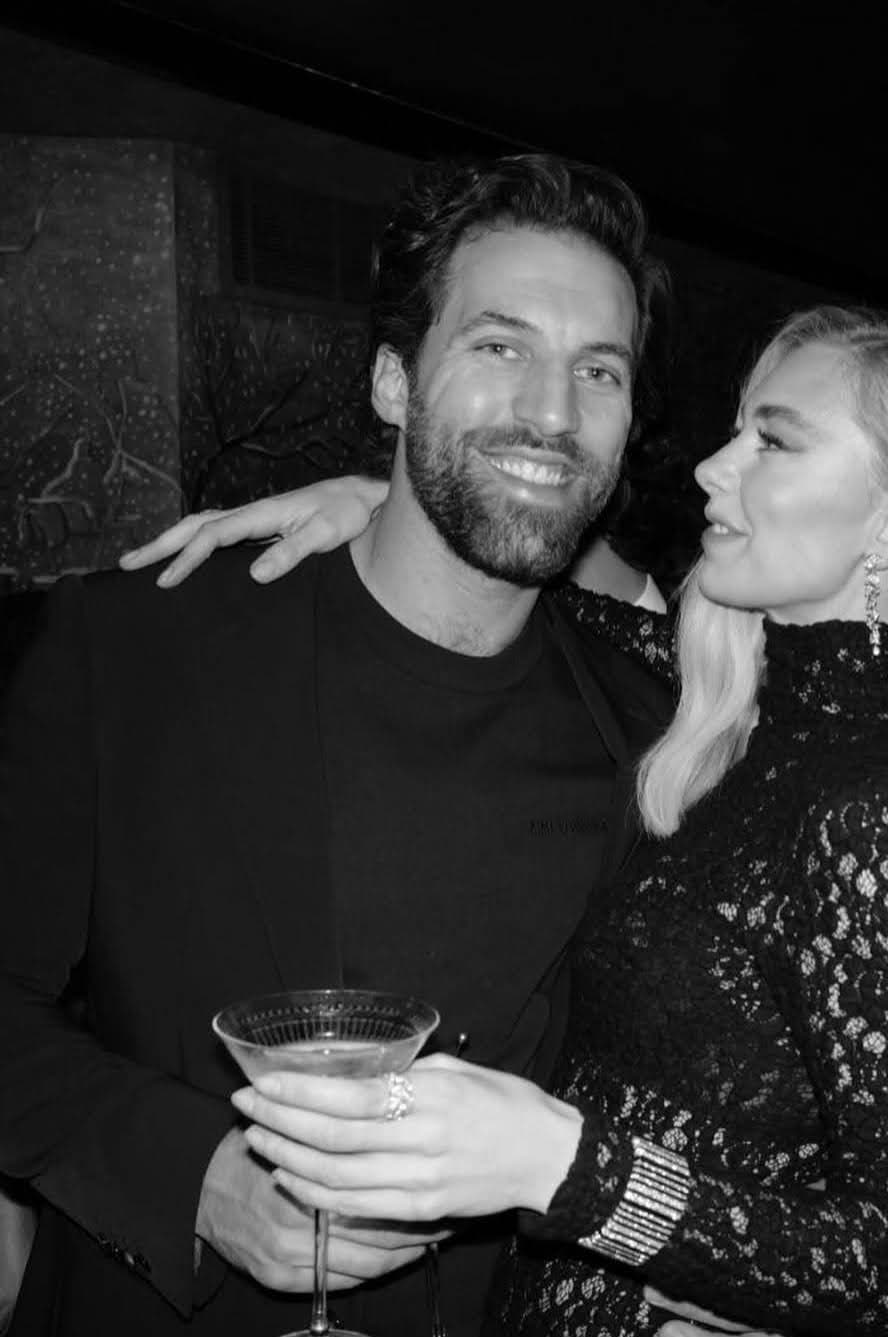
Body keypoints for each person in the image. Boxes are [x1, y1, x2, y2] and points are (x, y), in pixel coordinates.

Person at [142, 306, 888, 1334]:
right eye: (736, 427)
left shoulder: (884, 816)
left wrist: (563, 1161)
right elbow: (554, 605)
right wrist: (385, 503)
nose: (711, 466)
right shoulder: (745, 712)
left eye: (774, 439)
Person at [0, 152, 724, 1337]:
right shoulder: (135, 644)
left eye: (599, 369)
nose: (552, 410)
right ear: (394, 381)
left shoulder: (656, 737)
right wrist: (194, 1180)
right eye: (500, 346)